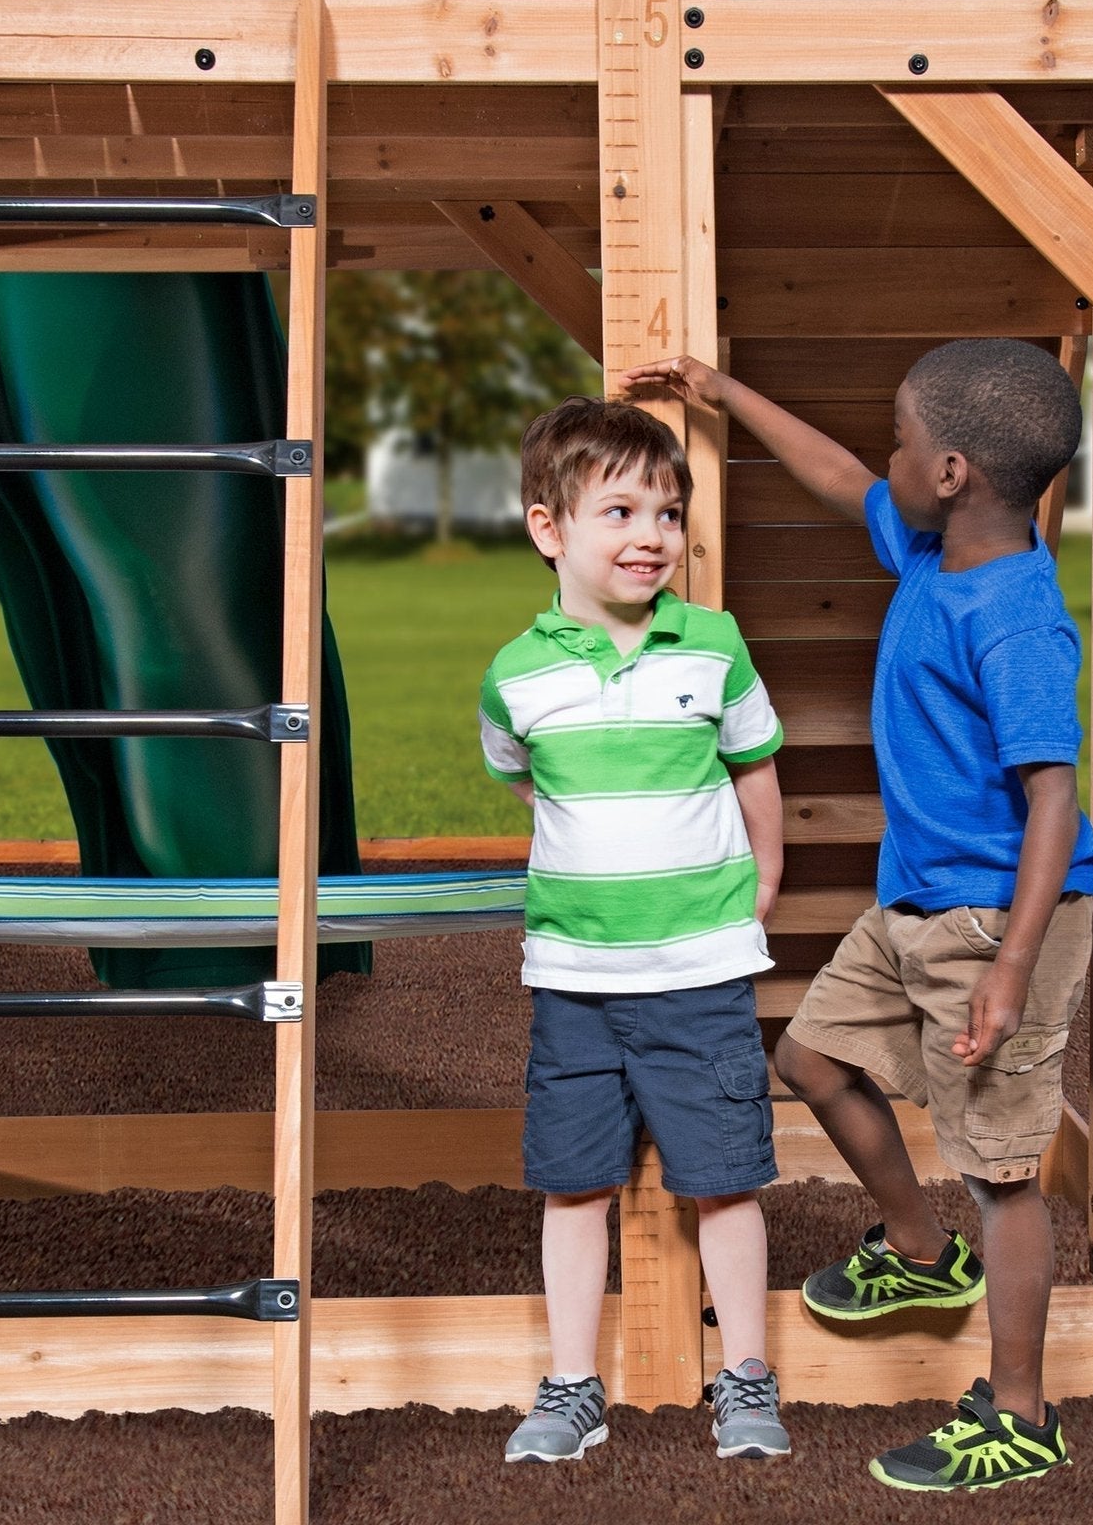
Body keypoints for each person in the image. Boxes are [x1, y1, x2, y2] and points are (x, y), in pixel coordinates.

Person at [623, 339, 1093, 1493]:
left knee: (1002, 1173)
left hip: (1000, 922)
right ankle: (920, 1250)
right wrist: (725, 392)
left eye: (899, 438)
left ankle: (1020, 1415)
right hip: (918, 901)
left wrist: (1011, 967)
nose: (881, 456)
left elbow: (1052, 798)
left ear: (949, 471)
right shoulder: (935, 547)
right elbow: (841, 477)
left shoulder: (1014, 617)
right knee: (810, 1057)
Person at [480, 395, 790, 1465]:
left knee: (724, 1178)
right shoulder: (515, 675)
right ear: (549, 528)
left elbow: (755, 769)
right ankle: (572, 1386)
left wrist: (765, 877)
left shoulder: (713, 646)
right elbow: (526, 779)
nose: (651, 535)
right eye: (619, 511)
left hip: (699, 972)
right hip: (574, 978)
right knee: (573, 1183)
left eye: (666, 512)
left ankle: (745, 1376)